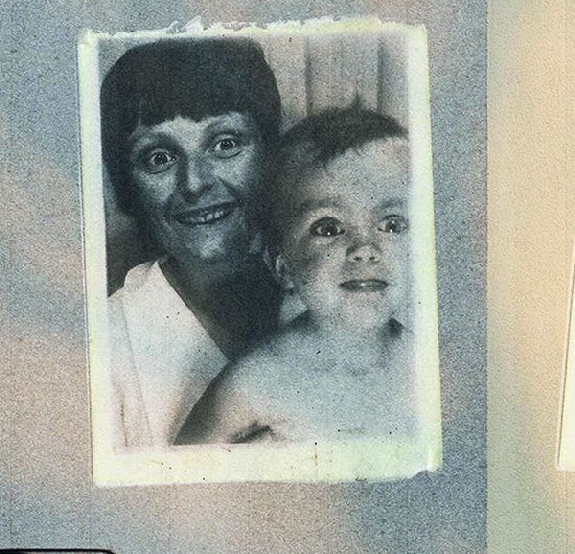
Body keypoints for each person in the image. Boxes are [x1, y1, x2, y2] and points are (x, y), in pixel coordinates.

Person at [177, 108, 414, 445]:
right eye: (329, 228)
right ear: (283, 266)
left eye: (392, 224)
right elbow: (181, 473)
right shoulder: (255, 381)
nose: (365, 247)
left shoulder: (424, 364)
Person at [101, 36, 286, 448]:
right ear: (128, 185)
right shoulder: (106, 346)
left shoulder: (344, 290)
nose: (195, 183)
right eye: (159, 158)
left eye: (225, 144)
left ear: (272, 156)